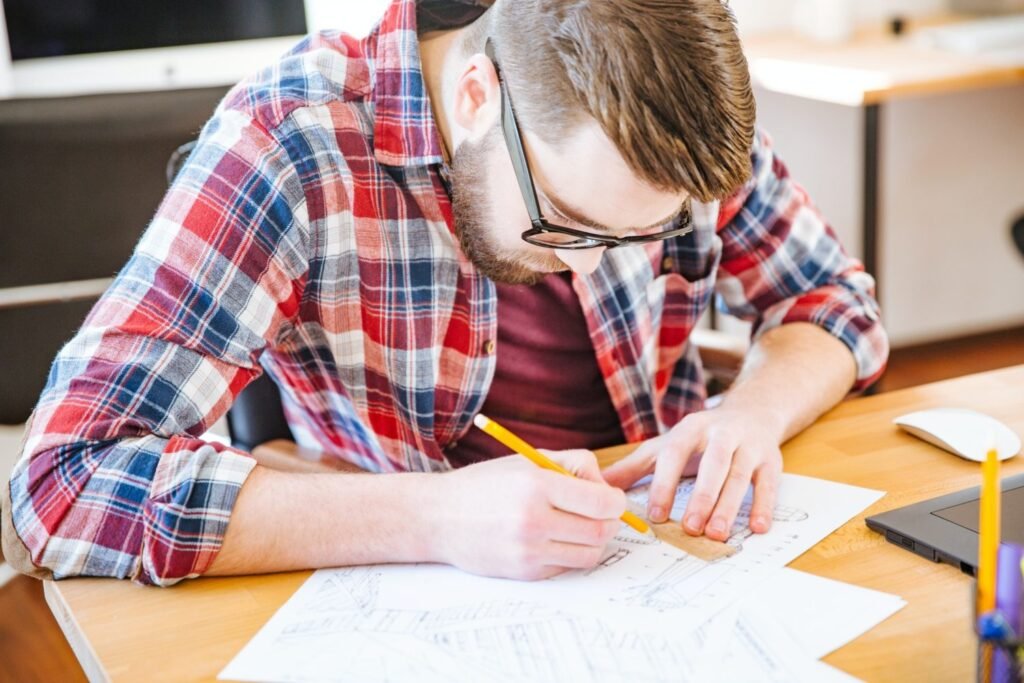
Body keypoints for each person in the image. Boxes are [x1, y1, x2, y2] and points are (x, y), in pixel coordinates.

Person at [1, 0, 887, 586]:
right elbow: (61, 482)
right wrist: (437, 515)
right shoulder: (289, 143)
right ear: (476, 96)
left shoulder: (662, 115)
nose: (593, 266)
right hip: (403, 584)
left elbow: (834, 301)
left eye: (641, 235)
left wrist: (753, 414)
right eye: (568, 224)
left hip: (663, 570)